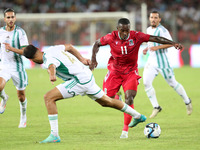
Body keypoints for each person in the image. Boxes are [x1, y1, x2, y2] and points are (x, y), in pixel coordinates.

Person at [5, 43, 147, 143]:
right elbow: (70, 47)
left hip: (79, 81)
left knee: (48, 97)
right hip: (86, 75)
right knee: (106, 101)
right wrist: (82, 59)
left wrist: (52, 75)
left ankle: (54, 135)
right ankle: (138, 115)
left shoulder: (48, 60)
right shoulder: (52, 49)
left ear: (33, 60)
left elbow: (51, 65)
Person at [89, 18, 183, 138]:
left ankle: (125, 131)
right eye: (122, 31)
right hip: (114, 72)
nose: (125, 33)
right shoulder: (110, 37)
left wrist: (173, 43)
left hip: (130, 72)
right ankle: (119, 98)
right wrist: (93, 59)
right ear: (117, 29)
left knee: (130, 98)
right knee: (107, 100)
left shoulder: (136, 36)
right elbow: (97, 43)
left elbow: (155, 38)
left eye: (127, 30)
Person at [142, 10, 192, 118]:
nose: (153, 19)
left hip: (162, 61)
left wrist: (157, 47)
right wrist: (147, 48)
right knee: (146, 82)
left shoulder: (162, 30)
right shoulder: (148, 29)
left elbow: (171, 43)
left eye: (156, 18)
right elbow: (151, 42)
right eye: (152, 17)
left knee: (172, 83)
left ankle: (187, 101)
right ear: (149, 19)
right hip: (151, 60)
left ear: (159, 20)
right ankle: (156, 107)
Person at [0, 8, 29, 128]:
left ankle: (23, 116)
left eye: (12, 17)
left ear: (15, 18)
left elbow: (25, 51)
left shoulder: (20, 32)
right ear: (4, 19)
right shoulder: (0, 32)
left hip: (17, 67)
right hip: (4, 65)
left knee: (21, 96)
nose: (10, 19)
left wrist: (12, 49)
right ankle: (4, 98)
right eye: (8, 17)